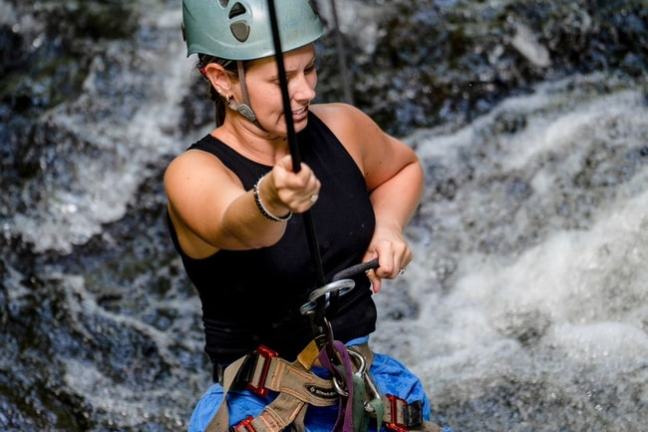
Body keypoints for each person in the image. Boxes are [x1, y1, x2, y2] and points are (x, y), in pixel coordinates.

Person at [166, 1, 446, 431]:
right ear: (223, 80)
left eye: (309, 69)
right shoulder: (194, 173)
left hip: (361, 390)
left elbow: (402, 169)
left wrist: (387, 227)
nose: (305, 91)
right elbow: (236, 224)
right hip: (260, 407)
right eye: (282, 79)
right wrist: (272, 198)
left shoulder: (343, 127)